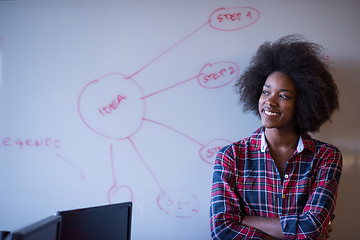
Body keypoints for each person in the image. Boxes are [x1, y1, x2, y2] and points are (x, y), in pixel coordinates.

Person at [209, 35, 342, 240]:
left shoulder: (326, 157)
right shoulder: (231, 157)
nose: (269, 102)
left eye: (283, 96)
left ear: (304, 102)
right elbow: (222, 230)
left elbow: (312, 230)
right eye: (265, 92)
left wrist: (244, 219)